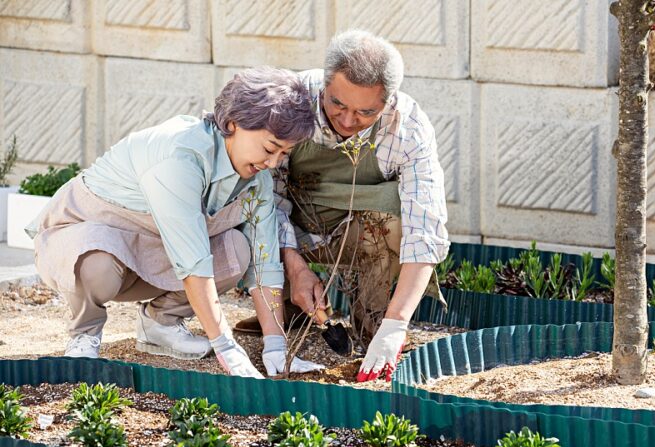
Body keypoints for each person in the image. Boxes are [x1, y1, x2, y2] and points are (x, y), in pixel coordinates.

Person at [28, 67, 325, 378]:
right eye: (269, 148)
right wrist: (225, 346)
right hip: (85, 246)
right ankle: (84, 335)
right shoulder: (180, 156)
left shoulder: (256, 179)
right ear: (234, 122)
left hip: (152, 251)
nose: (273, 163)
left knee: (238, 250)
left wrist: (275, 345)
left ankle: (160, 323)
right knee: (97, 264)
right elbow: (192, 262)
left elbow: (265, 263)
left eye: (283, 153)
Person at [234, 30, 450, 382]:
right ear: (324, 84)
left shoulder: (408, 126)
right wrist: (295, 267)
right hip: (292, 232)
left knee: (393, 223)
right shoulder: (291, 101)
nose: (348, 121)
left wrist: (397, 324)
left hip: (353, 234)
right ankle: (287, 306)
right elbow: (264, 202)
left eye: (366, 111)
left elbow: (425, 230)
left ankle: (375, 328)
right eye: (338, 104)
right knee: (238, 224)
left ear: (388, 101)